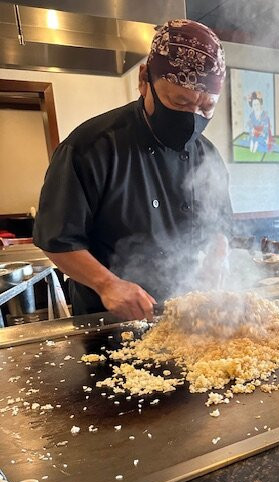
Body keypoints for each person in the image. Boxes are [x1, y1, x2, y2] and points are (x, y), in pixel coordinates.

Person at [33, 19, 232, 320]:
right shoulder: (90, 147)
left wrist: (219, 253)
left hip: (187, 315)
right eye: (179, 101)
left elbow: (220, 226)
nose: (192, 118)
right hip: (109, 319)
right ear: (144, 80)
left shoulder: (209, 157)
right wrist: (107, 284)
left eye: (206, 108)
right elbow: (57, 240)